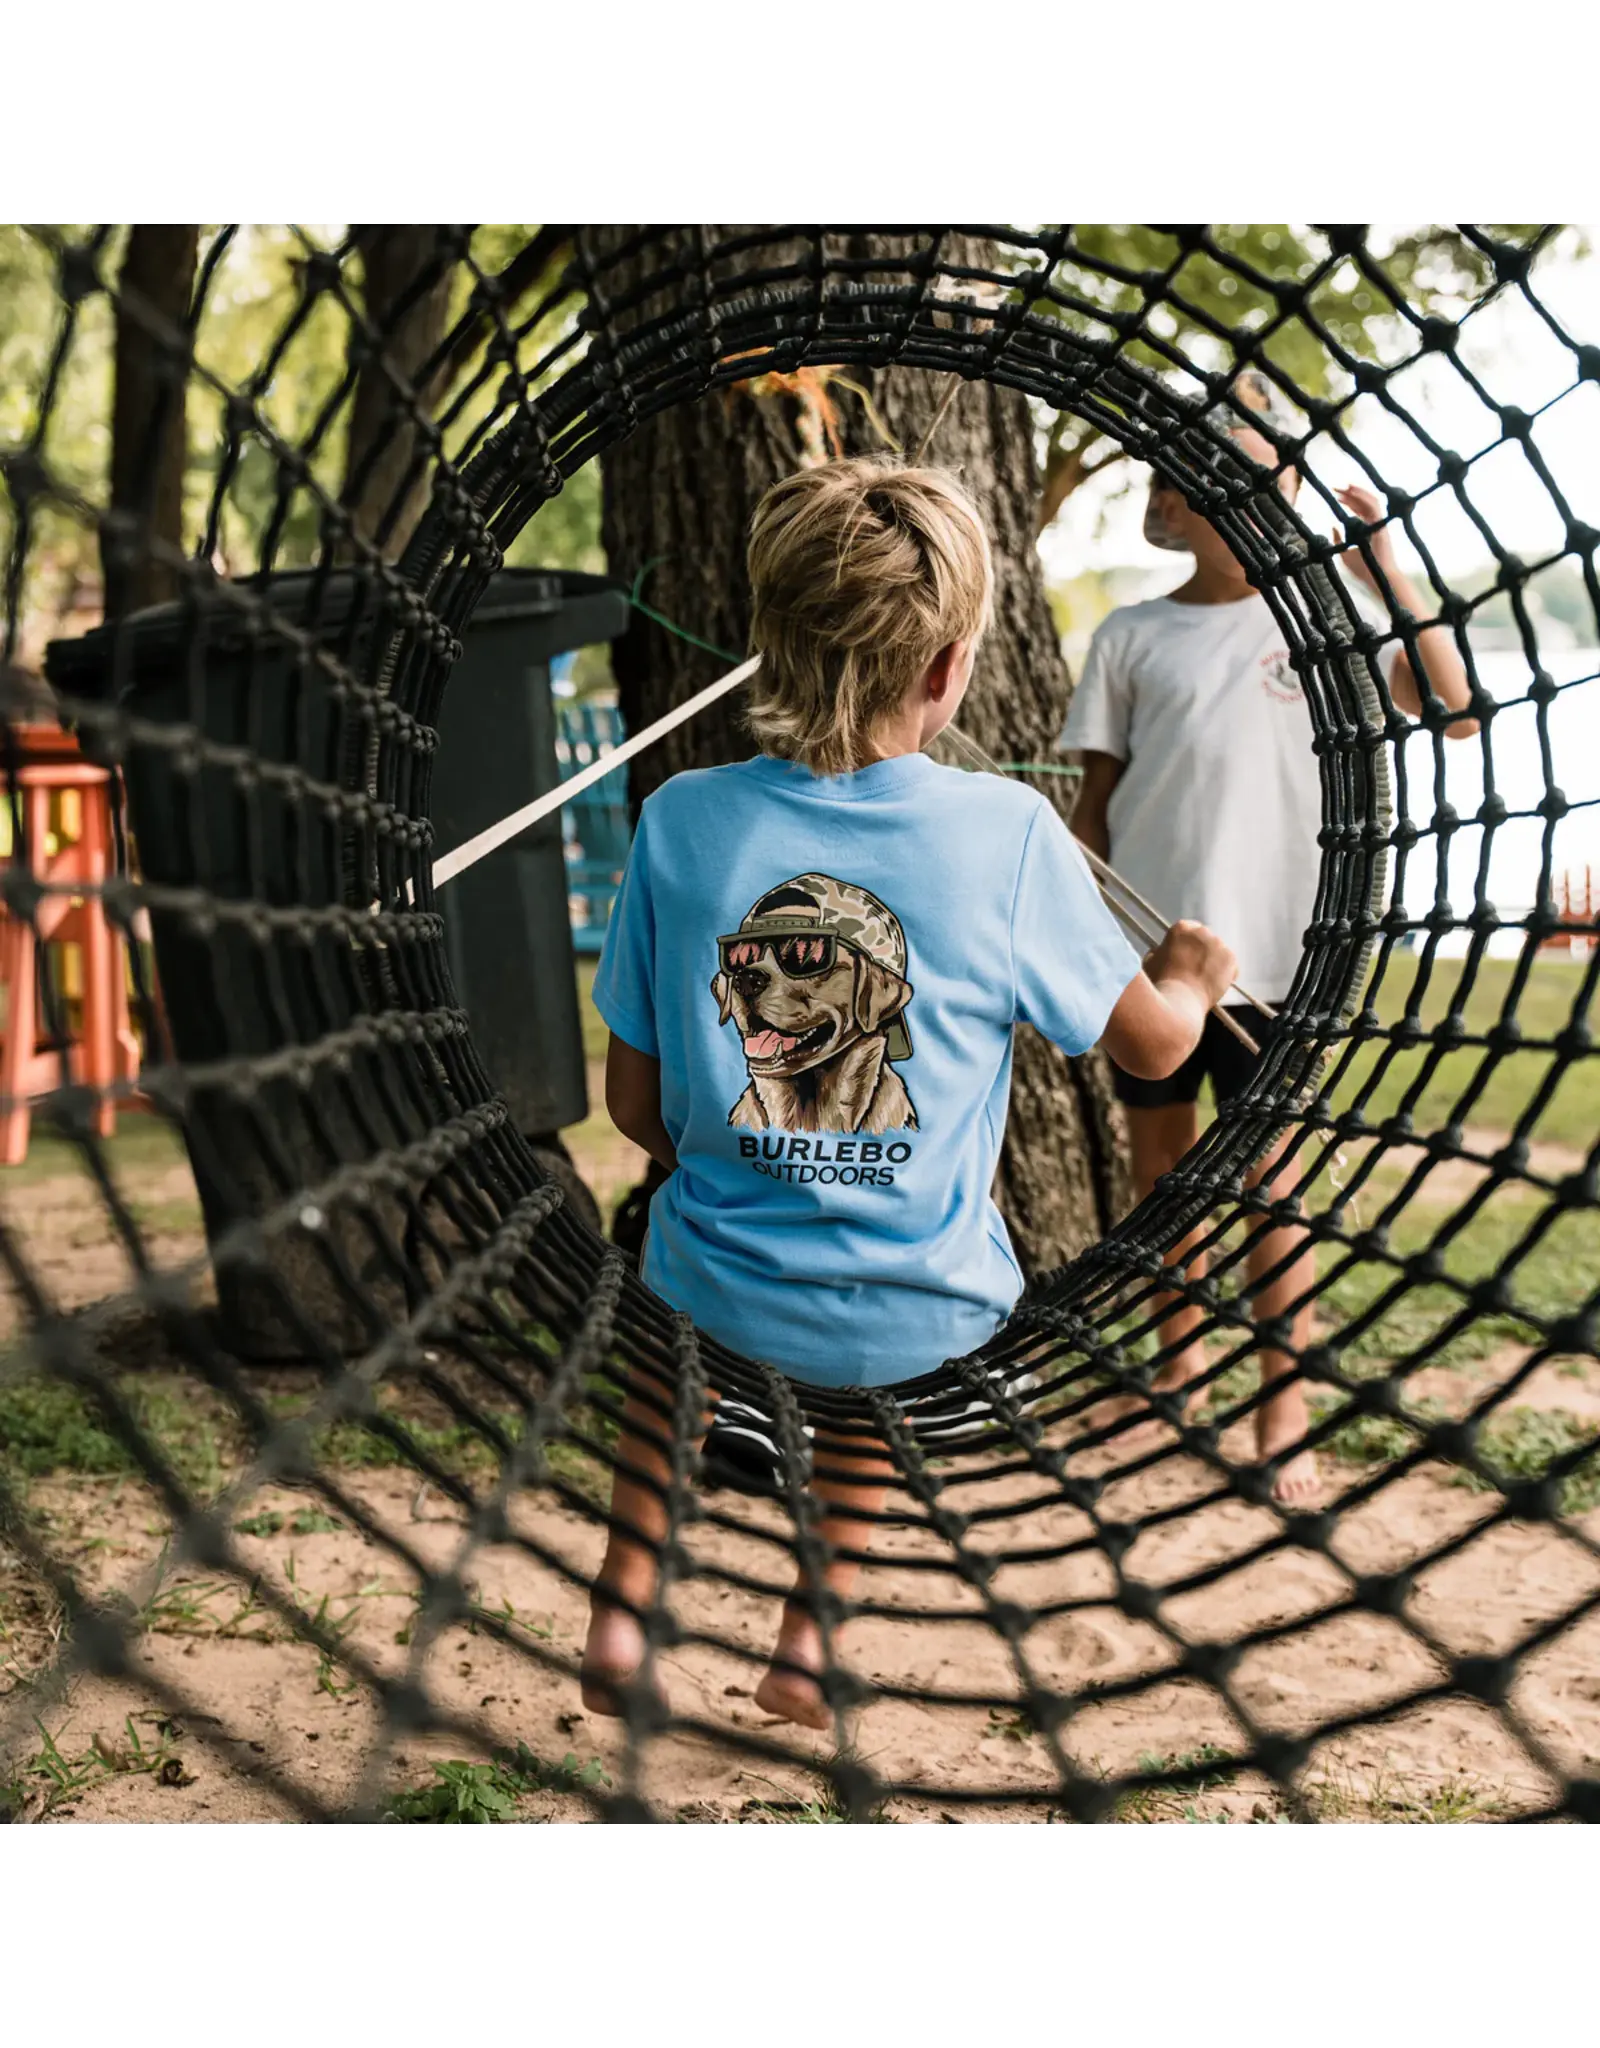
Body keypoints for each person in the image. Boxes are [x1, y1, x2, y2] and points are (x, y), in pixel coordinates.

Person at [581, 456, 1238, 1727]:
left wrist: (742, 1156)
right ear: (947, 670)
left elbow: (632, 1105)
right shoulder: (1007, 835)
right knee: (883, 1385)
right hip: (916, 1299)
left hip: (716, 1283)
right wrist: (1194, 973)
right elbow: (1154, 1049)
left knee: (675, 1311)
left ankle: (620, 1610)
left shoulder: (680, 818)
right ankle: (805, 1646)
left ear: (766, 637)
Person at [1061, 375, 1478, 1505]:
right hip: (1152, 954)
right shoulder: (1131, 634)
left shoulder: (1324, 624)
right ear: (1169, 508)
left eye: (1261, 481)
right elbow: (1091, 810)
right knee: (1159, 1171)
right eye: (1209, 484)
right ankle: (1176, 1376)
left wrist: (1379, 559)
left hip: (1280, 954)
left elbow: (1453, 705)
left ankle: (1281, 1407)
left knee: (1269, 1177)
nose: (1238, 502)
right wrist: (1091, 939)